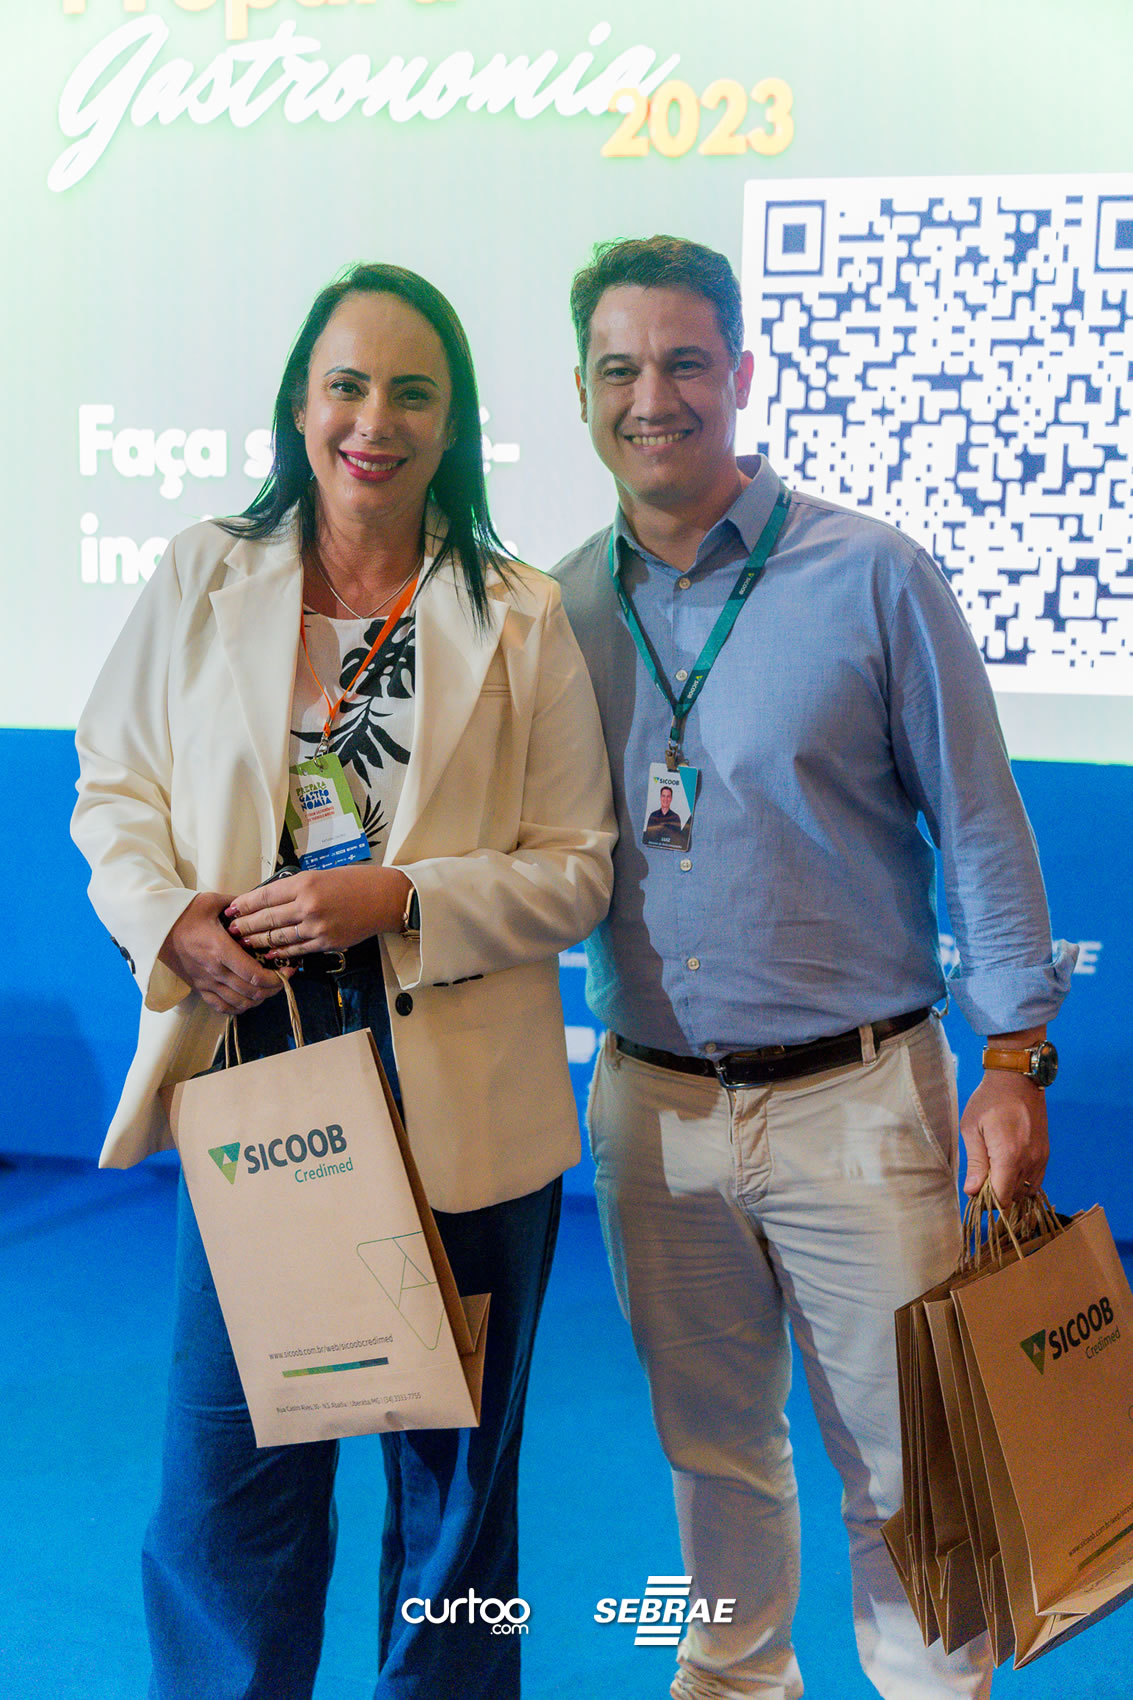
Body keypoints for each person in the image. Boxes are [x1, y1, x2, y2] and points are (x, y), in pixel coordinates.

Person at [71, 262, 615, 1700]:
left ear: (456, 422)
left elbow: (578, 866)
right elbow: (113, 789)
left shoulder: (518, 612)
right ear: (298, 406)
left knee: (457, 1509)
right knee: (228, 1492)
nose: (376, 420)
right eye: (348, 387)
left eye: (412, 393)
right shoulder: (204, 572)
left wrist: (405, 898)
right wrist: (167, 918)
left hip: (464, 1109)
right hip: (260, 1085)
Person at [553, 235, 1074, 1700]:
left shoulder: (872, 574)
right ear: (582, 392)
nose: (650, 397)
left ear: (739, 374)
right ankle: (733, 1679)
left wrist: (1014, 1054)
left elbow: (980, 822)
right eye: (617, 369)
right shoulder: (555, 609)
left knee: (908, 1469)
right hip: (653, 1107)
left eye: (682, 362)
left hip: (860, 1100)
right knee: (709, 1450)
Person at [643, 783, 689, 849]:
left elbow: (677, 839)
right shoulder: (653, 816)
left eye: (668, 796)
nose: (665, 799)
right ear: (660, 797)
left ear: (671, 799)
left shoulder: (676, 817)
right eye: (663, 796)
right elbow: (649, 837)